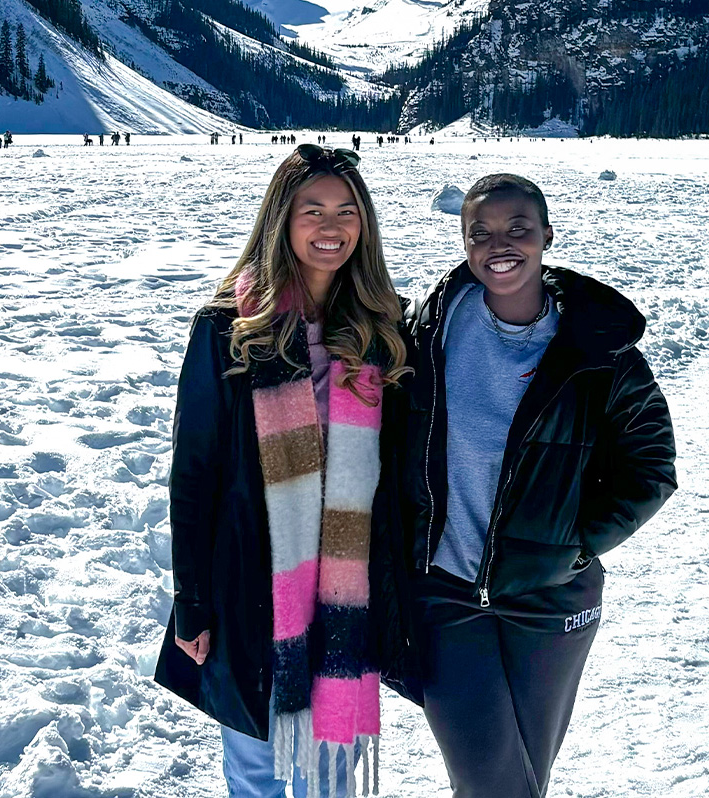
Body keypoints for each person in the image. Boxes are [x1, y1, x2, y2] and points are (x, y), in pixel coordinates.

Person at [393, 173, 677, 798]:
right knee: (489, 780)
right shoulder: (425, 336)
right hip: (446, 594)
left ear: (547, 234)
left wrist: (573, 545)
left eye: (519, 228)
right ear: (464, 243)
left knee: (520, 779)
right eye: (482, 232)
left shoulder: (598, 351)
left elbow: (653, 467)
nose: (502, 244)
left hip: (552, 596)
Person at [153, 144, 409, 798]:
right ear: (281, 220)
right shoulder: (230, 330)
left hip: (347, 599)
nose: (331, 227)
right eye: (312, 210)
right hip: (252, 595)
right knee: (259, 777)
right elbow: (195, 474)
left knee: (331, 782)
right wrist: (192, 603)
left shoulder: (380, 333)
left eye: (347, 211)